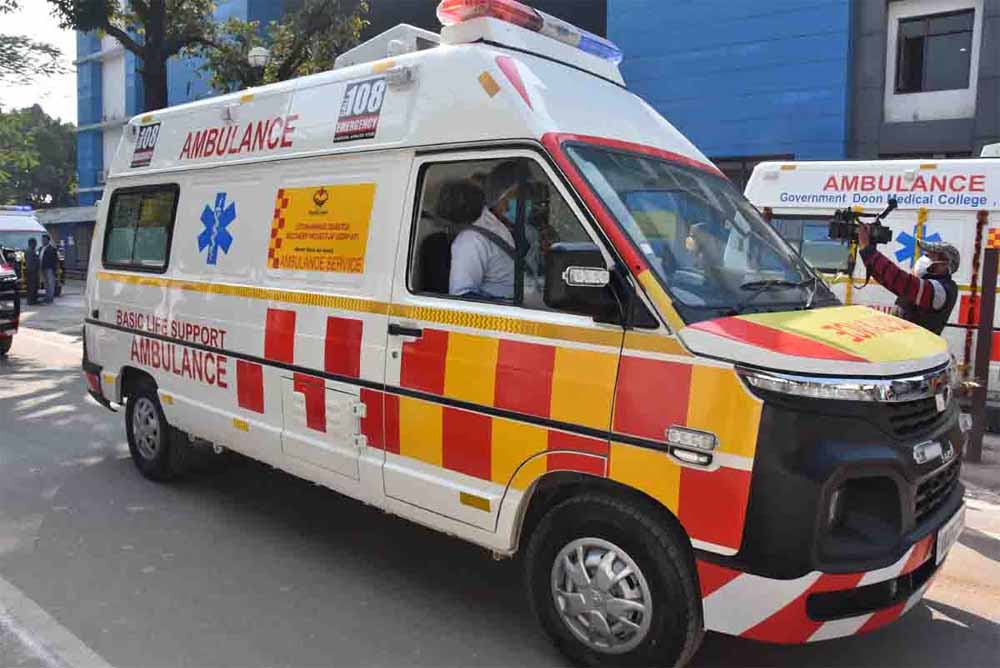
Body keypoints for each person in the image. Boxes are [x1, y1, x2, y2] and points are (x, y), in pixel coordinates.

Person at [858, 224, 959, 335]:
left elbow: (901, 281)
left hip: (917, 345)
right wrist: (867, 251)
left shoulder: (943, 290)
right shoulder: (927, 284)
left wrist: (868, 251)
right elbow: (886, 280)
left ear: (944, 265)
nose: (923, 258)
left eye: (930, 255)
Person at [449, 162, 521, 299]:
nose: (524, 200)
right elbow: (462, 296)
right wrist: (503, 304)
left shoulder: (508, 228)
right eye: (516, 195)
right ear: (500, 196)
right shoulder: (471, 239)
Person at [38, 234, 58, 305]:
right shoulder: (41, 248)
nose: (43, 241)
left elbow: (55, 260)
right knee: (46, 284)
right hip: (42, 268)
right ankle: (46, 297)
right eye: (42, 240)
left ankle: (50, 298)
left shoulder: (52, 249)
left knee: (50, 283)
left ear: (48, 240)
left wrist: (54, 269)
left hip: (49, 269)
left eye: (44, 240)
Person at [24, 237, 39, 305]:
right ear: (31, 243)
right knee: (32, 286)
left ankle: (33, 300)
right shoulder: (29, 251)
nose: (36, 245)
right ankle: (31, 301)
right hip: (32, 272)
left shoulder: (31, 250)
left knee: (33, 286)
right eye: (35, 243)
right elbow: (30, 262)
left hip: (32, 271)